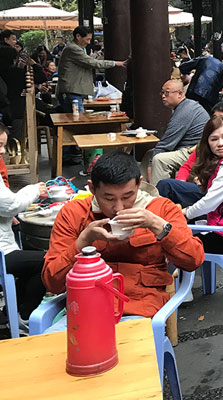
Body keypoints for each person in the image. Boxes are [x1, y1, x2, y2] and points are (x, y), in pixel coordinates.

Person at [42, 152, 205, 321]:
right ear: (92, 188)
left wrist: (157, 226)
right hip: (86, 307)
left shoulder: (160, 209)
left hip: (140, 308)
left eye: (128, 196)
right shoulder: (74, 213)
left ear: (139, 184)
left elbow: (193, 261)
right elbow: (52, 282)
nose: (119, 208)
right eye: (108, 198)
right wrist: (84, 240)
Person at [157, 114, 223, 255]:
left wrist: (185, 213)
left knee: (170, 243)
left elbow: (210, 203)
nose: (220, 143)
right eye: (214, 139)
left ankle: (169, 275)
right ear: (207, 142)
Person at [0, 124, 48, 329]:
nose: (2, 151)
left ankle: (11, 310)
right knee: (48, 261)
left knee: (31, 258)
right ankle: (24, 316)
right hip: (2, 252)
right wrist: (34, 190)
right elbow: (11, 204)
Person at [142, 79, 209, 185]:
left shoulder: (186, 110)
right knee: (149, 153)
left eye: (167, 93)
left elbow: (167, 143)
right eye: (162, 92)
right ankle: (154, 188)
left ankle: (158, 195)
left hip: (195, 151)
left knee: (159, 159)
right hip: (189, 148)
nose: (163, 96)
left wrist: (151, 166)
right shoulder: (186, 106)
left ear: (180, 94)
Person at [55, 26, 127, 113]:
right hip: (72, 91)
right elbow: (93, 63)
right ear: (78, 36)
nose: (89, 42)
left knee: (76, 118)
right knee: (77, 120)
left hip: (73, 90)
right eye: (87, 39)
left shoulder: (76, 48)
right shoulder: (73, 49)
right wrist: (115, 63)